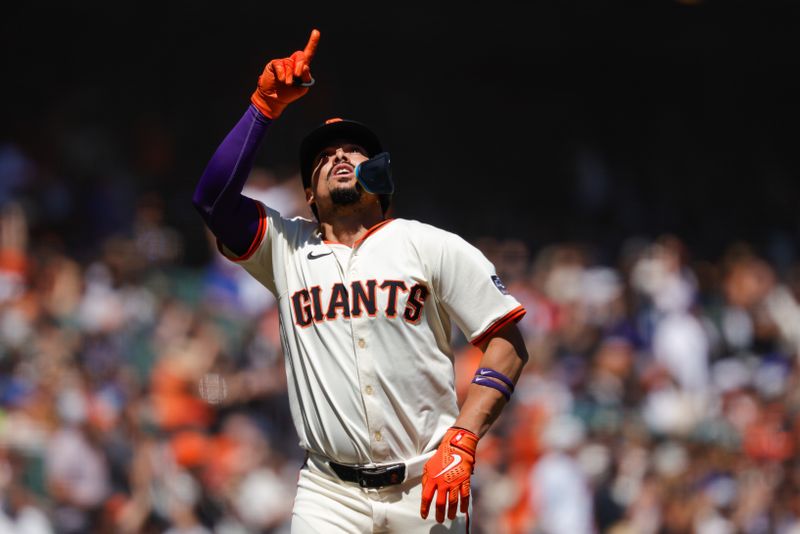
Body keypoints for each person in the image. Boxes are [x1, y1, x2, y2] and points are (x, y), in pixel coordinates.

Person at [192, 29, 529, 533]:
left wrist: (464, 439)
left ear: (379, 176)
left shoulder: (430, 244)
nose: (339, 157)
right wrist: (263, 107)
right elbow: (212, 201)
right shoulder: (285, 248)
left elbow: (506, 342)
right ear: (309, 193)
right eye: (324, 157)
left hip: (425, 484)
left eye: (353, 150)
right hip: (329, 494)